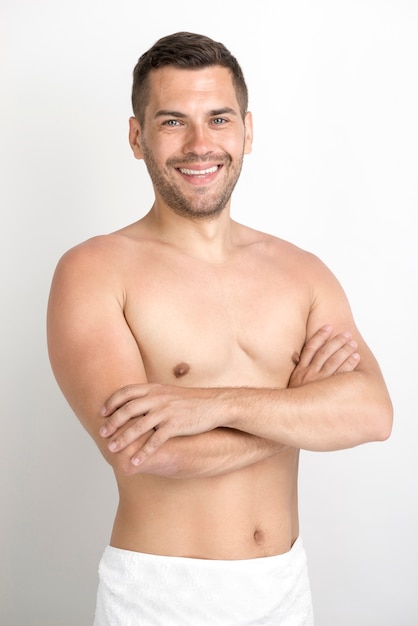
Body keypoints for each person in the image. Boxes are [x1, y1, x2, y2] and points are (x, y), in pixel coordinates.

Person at [47, 32, 393, 625]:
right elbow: (140, 452)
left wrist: (205, 406)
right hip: (160, 591)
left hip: (285, 588)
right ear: (138, 137)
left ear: (248, 131)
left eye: (219, 119)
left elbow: (371, 415)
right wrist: (300, 410)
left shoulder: (301, 272)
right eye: (174, 121)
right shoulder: (95, 270)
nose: (201, 145)